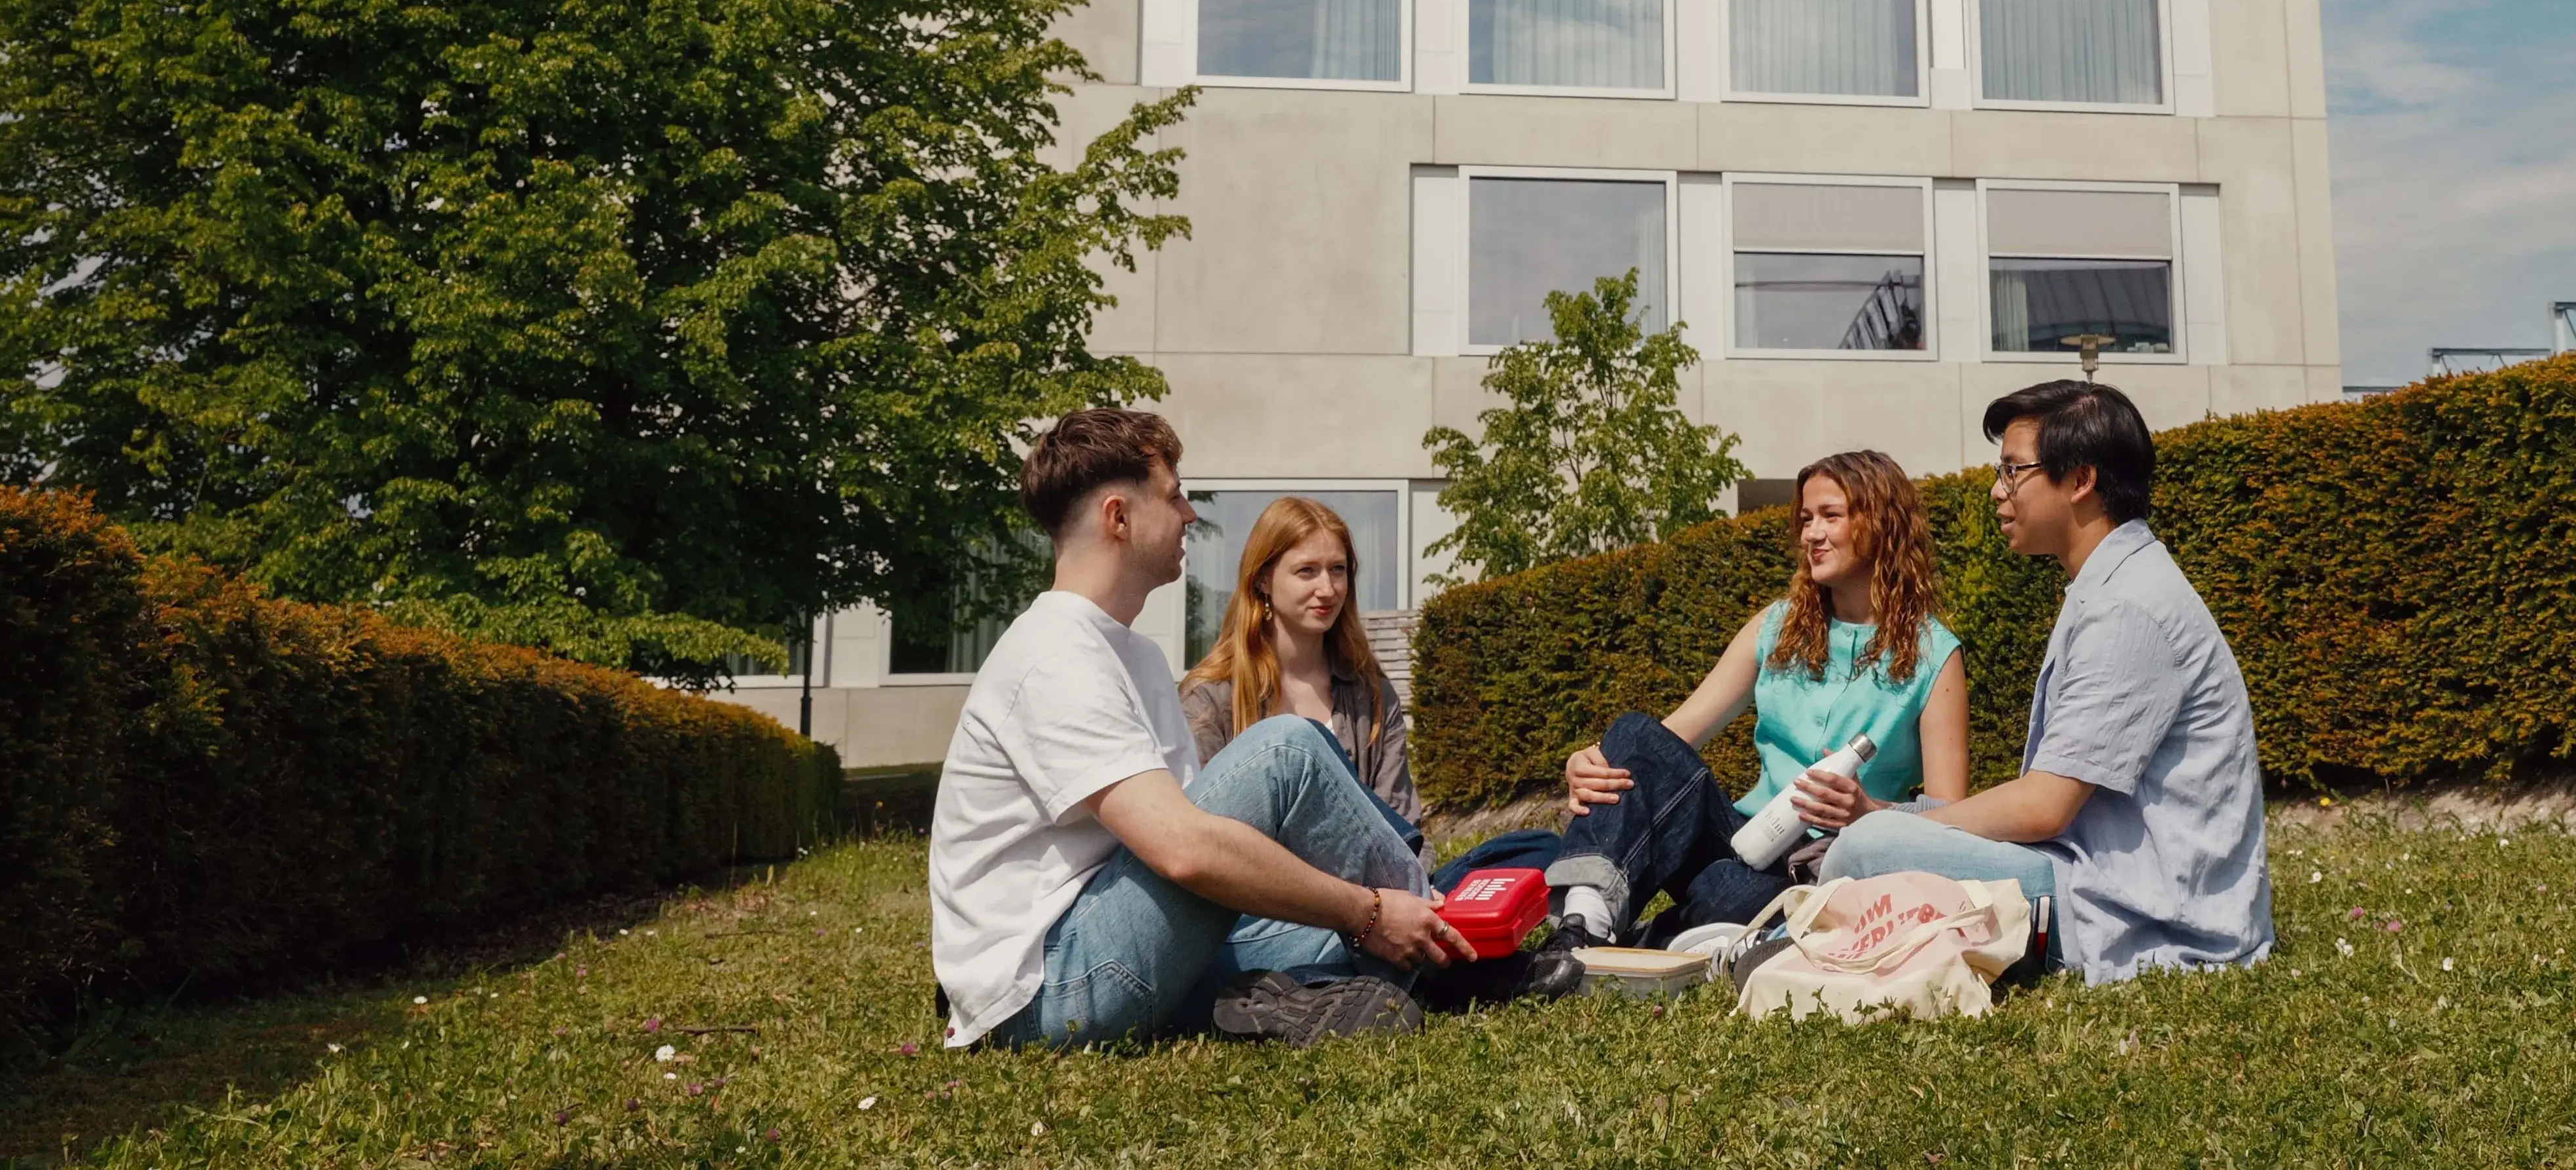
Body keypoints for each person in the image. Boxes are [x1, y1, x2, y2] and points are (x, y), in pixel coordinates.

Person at [927, 409, 1474, 1051]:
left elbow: (1217, 848)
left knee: (1338, 931)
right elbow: (1185, 850)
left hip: (1122, 933)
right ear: (1118, 517)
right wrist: (1370, 910)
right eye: (1174, 495)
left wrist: (1353, 915)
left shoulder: (1137, 657)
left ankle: (1411, 955)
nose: (1189, 514)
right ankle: (1429, 929)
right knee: (1288, 747)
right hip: (1049, 989)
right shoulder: (1054, 655)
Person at [1821, 380, 2275, 984]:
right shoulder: (2114, 584)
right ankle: (1783, 939)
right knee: (1884, 833)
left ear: (2081, 480)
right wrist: (1895, 815)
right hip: (2093, 879)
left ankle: (1785, 948)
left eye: (2013, 471)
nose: (1996, 491)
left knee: (1865, 849)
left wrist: (1893, 829)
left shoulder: (2129, 607)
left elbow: (2043, 807)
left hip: (2142, 916)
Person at [1539, 449, 1969, 952]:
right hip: (1741, 832)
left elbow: (1951, 818)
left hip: (1819, 866)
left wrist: (1868, 812)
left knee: (1729, 894)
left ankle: (1650, 935)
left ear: (1883, 525)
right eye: (1806, 519)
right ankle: (1583, 921)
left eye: (1830, 516)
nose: (1811, 533)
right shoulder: (1777, 627)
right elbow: (1666, 742)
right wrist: (1589, 763)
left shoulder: (1936, 654)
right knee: (1634, 731)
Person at [1181, 496, 1420, 825]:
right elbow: (1200, 830)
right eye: (1307, 571)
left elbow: (1403, 827)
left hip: (1370, 876)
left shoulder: (1372, 697)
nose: (1327, 589)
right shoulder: (1210, 697)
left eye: (1338, 570)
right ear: (1263, 579)